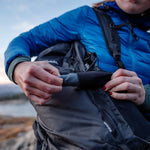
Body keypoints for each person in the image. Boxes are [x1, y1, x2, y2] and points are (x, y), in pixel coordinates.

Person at [4, 0, 150, 110]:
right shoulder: (86, 17)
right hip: (90, 136)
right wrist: (18, 66)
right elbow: (24, 41)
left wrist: (145, 95)